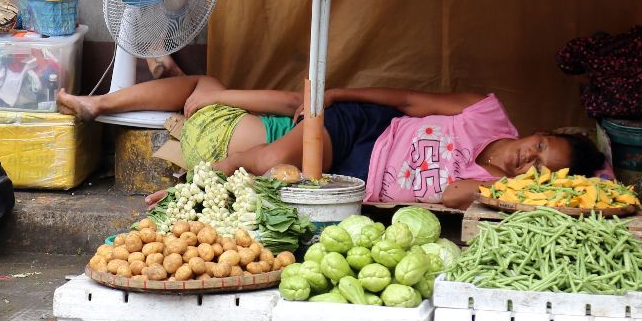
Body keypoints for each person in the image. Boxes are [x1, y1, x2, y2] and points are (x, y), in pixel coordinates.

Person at [57, 76, 606, 210]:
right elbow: (411, 101)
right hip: (367, 127)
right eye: (537, 145)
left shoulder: (490, 189)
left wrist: (529, 193)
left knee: (275, 170)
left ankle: (110, 104)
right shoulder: (486, 114)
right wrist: (338, 91)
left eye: (538, 169)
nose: (526, 157)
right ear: (537, 130)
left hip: (363, 180)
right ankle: (187, 194)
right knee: (271, 158)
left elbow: (453, 196)